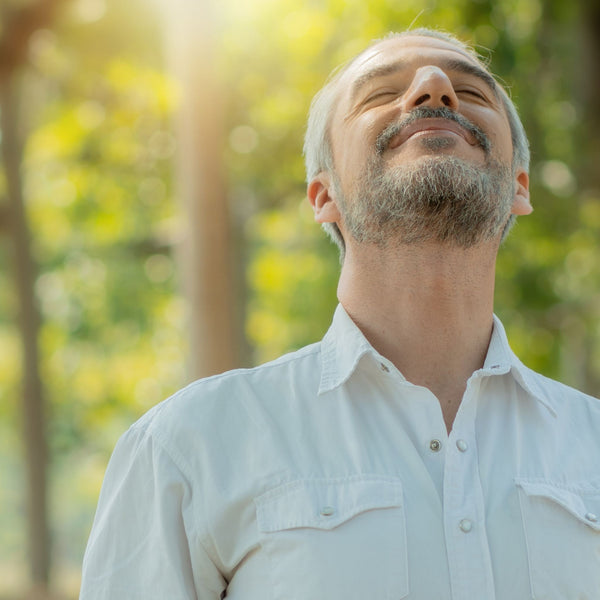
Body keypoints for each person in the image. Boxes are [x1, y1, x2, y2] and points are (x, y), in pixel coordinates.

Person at [80, 28, 600, 600]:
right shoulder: (186, 447)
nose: (435, 89)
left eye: (472, 92)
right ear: (323, 195)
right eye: (381, 95)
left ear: (519, 187)